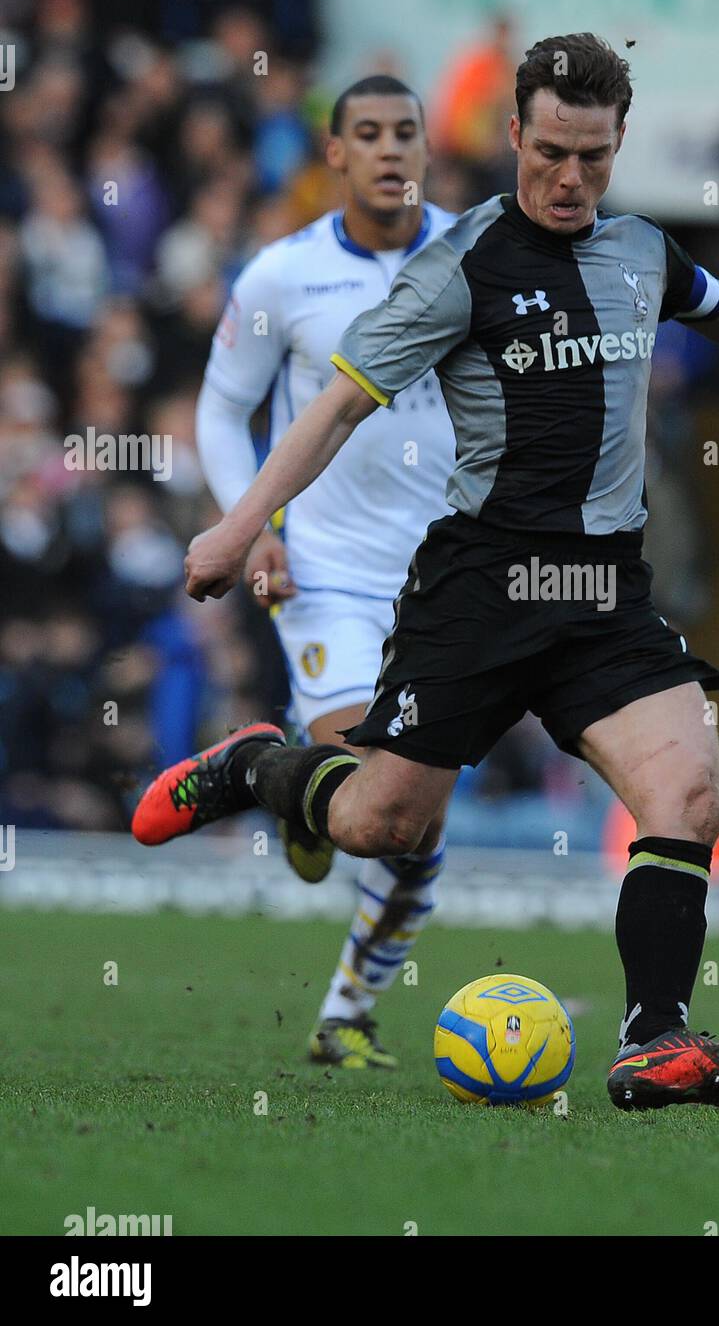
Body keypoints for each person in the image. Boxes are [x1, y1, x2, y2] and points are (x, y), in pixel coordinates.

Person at [134, 34, 719, 1112]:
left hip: (602, 591)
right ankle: (255, 768)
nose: (569, 179)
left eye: (594, 157)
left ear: (618, 147)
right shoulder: (460, 264)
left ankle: (650, 1038)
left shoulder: (640, 253)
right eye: (551, 152)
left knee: (689, 797)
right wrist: (243, 526)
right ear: (514, 133)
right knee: (383, 825)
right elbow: (335, 401)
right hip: (480, 583)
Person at [193, 74, 460, 1071]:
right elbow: (222, 411)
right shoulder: (280, 277)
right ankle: (291, 775)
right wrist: (249, 525)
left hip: (448, 585)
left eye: (407, 132)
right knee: (379, 795)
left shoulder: (471, 255)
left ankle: (345, 1007)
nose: (390, 150)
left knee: (406, 823)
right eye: (368, 134)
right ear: (334, 155)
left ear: (427, 149)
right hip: (328, 576)